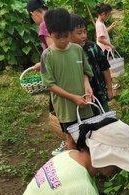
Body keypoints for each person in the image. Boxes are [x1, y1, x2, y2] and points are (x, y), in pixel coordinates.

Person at [41, 8, 94, 153]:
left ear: (70, 33)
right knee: (71, 138)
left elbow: (85, 72)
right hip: (65, 107)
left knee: (88, 135)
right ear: (50, 34)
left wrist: (87, 85)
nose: (63, 40)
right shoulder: (47, 55)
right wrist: (72, 97)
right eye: (58, 37)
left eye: (66, 35)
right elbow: (49, 85)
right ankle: (75, 166)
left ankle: (89, 167)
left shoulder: (77, 49)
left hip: (84, 103)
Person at [70, 14, 113, 112]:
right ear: (68, 34)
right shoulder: (69, 53)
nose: (83, 36)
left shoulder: (93, 47)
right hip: (82, 97)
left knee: (104, 115)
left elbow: (105, 68)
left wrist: (109, 89)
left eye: (85, 32)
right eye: (79, 33)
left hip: (100, 92)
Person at [26, 0, 52, 71]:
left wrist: (41, 64)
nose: (34, 21)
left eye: (32, 18)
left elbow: (54, 52)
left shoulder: (44, 25)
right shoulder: (56, 19)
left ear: (34, 14)